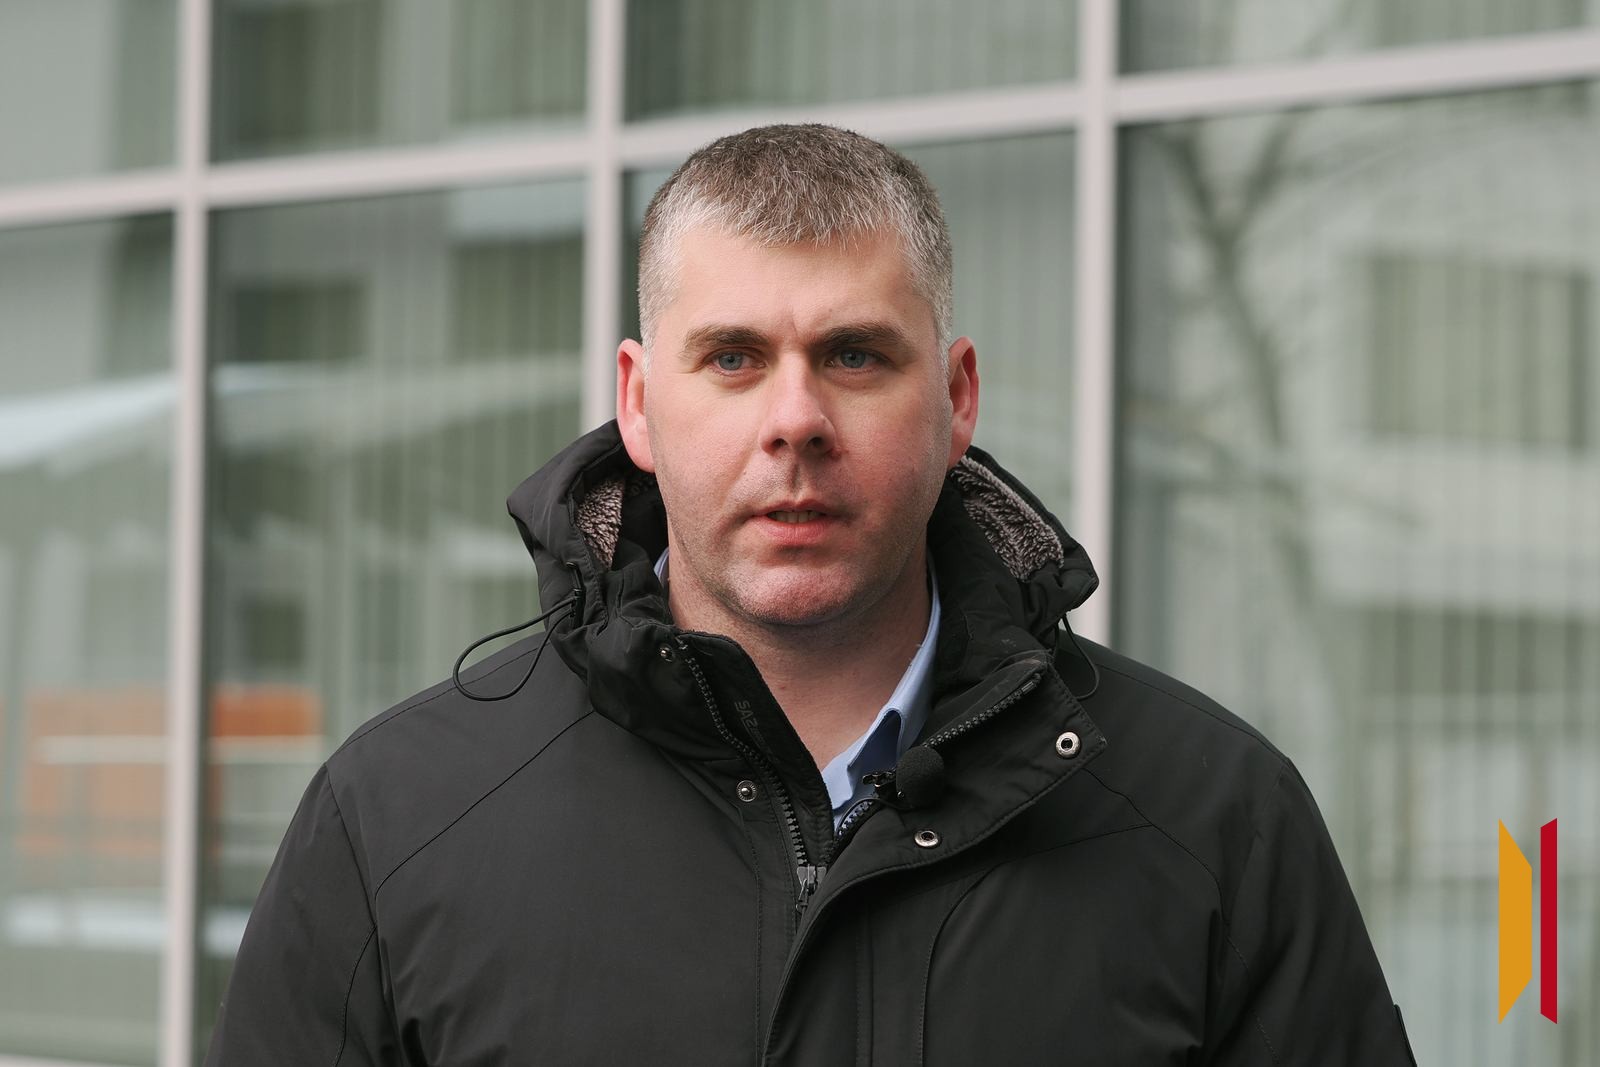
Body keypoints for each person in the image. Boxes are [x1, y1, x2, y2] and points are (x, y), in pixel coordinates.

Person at [204, 124, 1416, 1065]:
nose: (795, 420)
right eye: (732, 357)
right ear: (638, 401)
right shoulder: (396, 818)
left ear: (956, 398)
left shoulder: (1212, 816)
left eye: (854, 354)